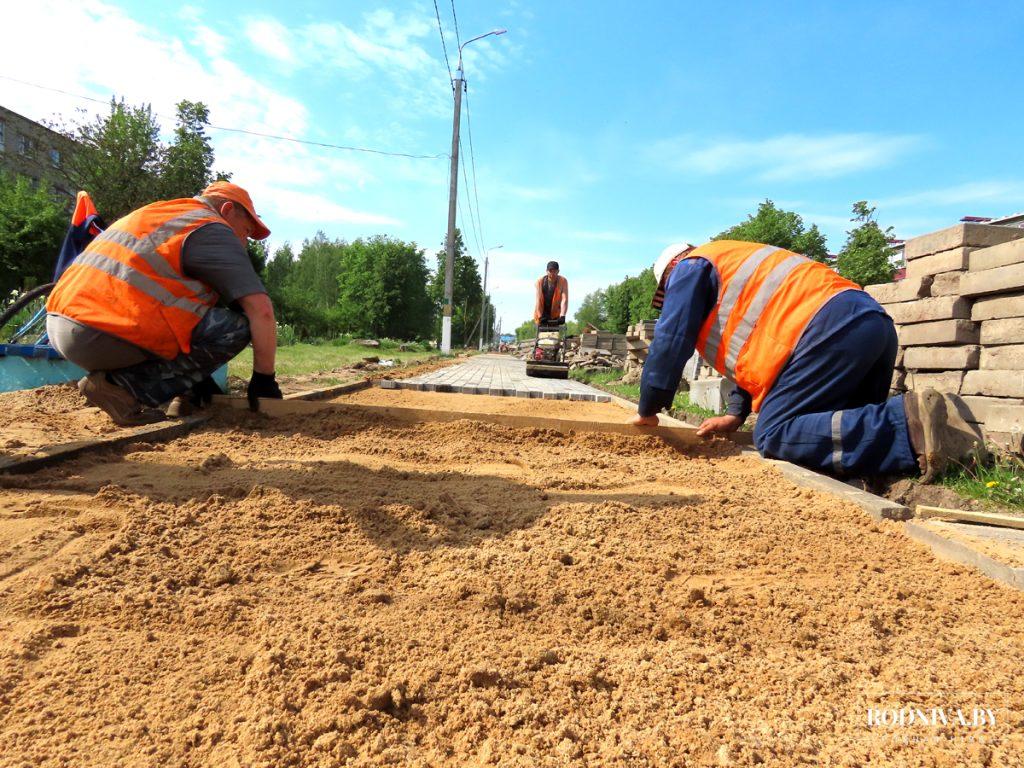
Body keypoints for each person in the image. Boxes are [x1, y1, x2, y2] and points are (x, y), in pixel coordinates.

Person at [629, 240, 986, 481]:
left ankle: (905, 426)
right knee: (836, 433)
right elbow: (746, 350)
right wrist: (736, 413)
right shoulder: (731, 261)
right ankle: (931, 438)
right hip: (870, 325)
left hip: (824, 331)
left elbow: (670, 339)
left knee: (774, 434)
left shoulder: (690, 268)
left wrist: (650, 406)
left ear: (669, 273)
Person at [46, 181, 283, 426]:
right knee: (237, 327)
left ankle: (182, 393)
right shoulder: (211, 227)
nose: (244, 242)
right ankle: (122, 390)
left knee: (194, 315)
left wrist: (194, 378)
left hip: (60, 326)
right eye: (245, 231)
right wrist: (264, 380)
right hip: (102, 332)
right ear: (227, 211)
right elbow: (261, 311)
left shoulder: (162, 213)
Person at [534, 261, 569, 326]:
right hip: (542, 315)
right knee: (542, 335)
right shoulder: (540, 282)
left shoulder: (563, 281)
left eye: (555, 271)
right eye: (550, 271)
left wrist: (562, 315)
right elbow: (538, 300)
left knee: (554, 335)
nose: (552, 273)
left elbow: (564, 299)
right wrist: (540, 316)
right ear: (546, 271)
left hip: (555, 315)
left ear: (558, 271)